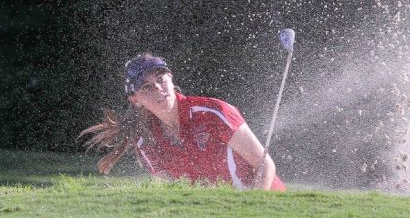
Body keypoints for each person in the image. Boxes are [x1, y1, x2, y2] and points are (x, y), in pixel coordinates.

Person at [80, 53, 285, 191]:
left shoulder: (213, 113)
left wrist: (254, 207)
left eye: (161, 79)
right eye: (146, 88)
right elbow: (168, 188)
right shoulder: (146, 140)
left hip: (266, 204)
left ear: (171, 78)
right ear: (135, 100)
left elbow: (264, 164)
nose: (158, 89)